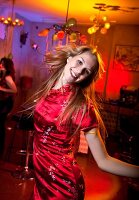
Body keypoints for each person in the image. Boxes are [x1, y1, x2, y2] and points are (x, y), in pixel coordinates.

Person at [27, 45, 139, 200]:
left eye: (86, 71)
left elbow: (103, 161)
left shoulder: (81, 106)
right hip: (41, 180)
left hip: (62, 185)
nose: (79, 71)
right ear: (69, 58)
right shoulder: (51, 87)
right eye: (80, 62)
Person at [0, 57, 17, 157]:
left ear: (7, 66)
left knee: (1, 126)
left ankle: (1, 151)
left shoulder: (7, 77)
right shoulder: (4, 75)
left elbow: (15, 90)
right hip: (3, 103)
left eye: (2, 64)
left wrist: (1, 89)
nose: (0, 65)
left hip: (5, 104)